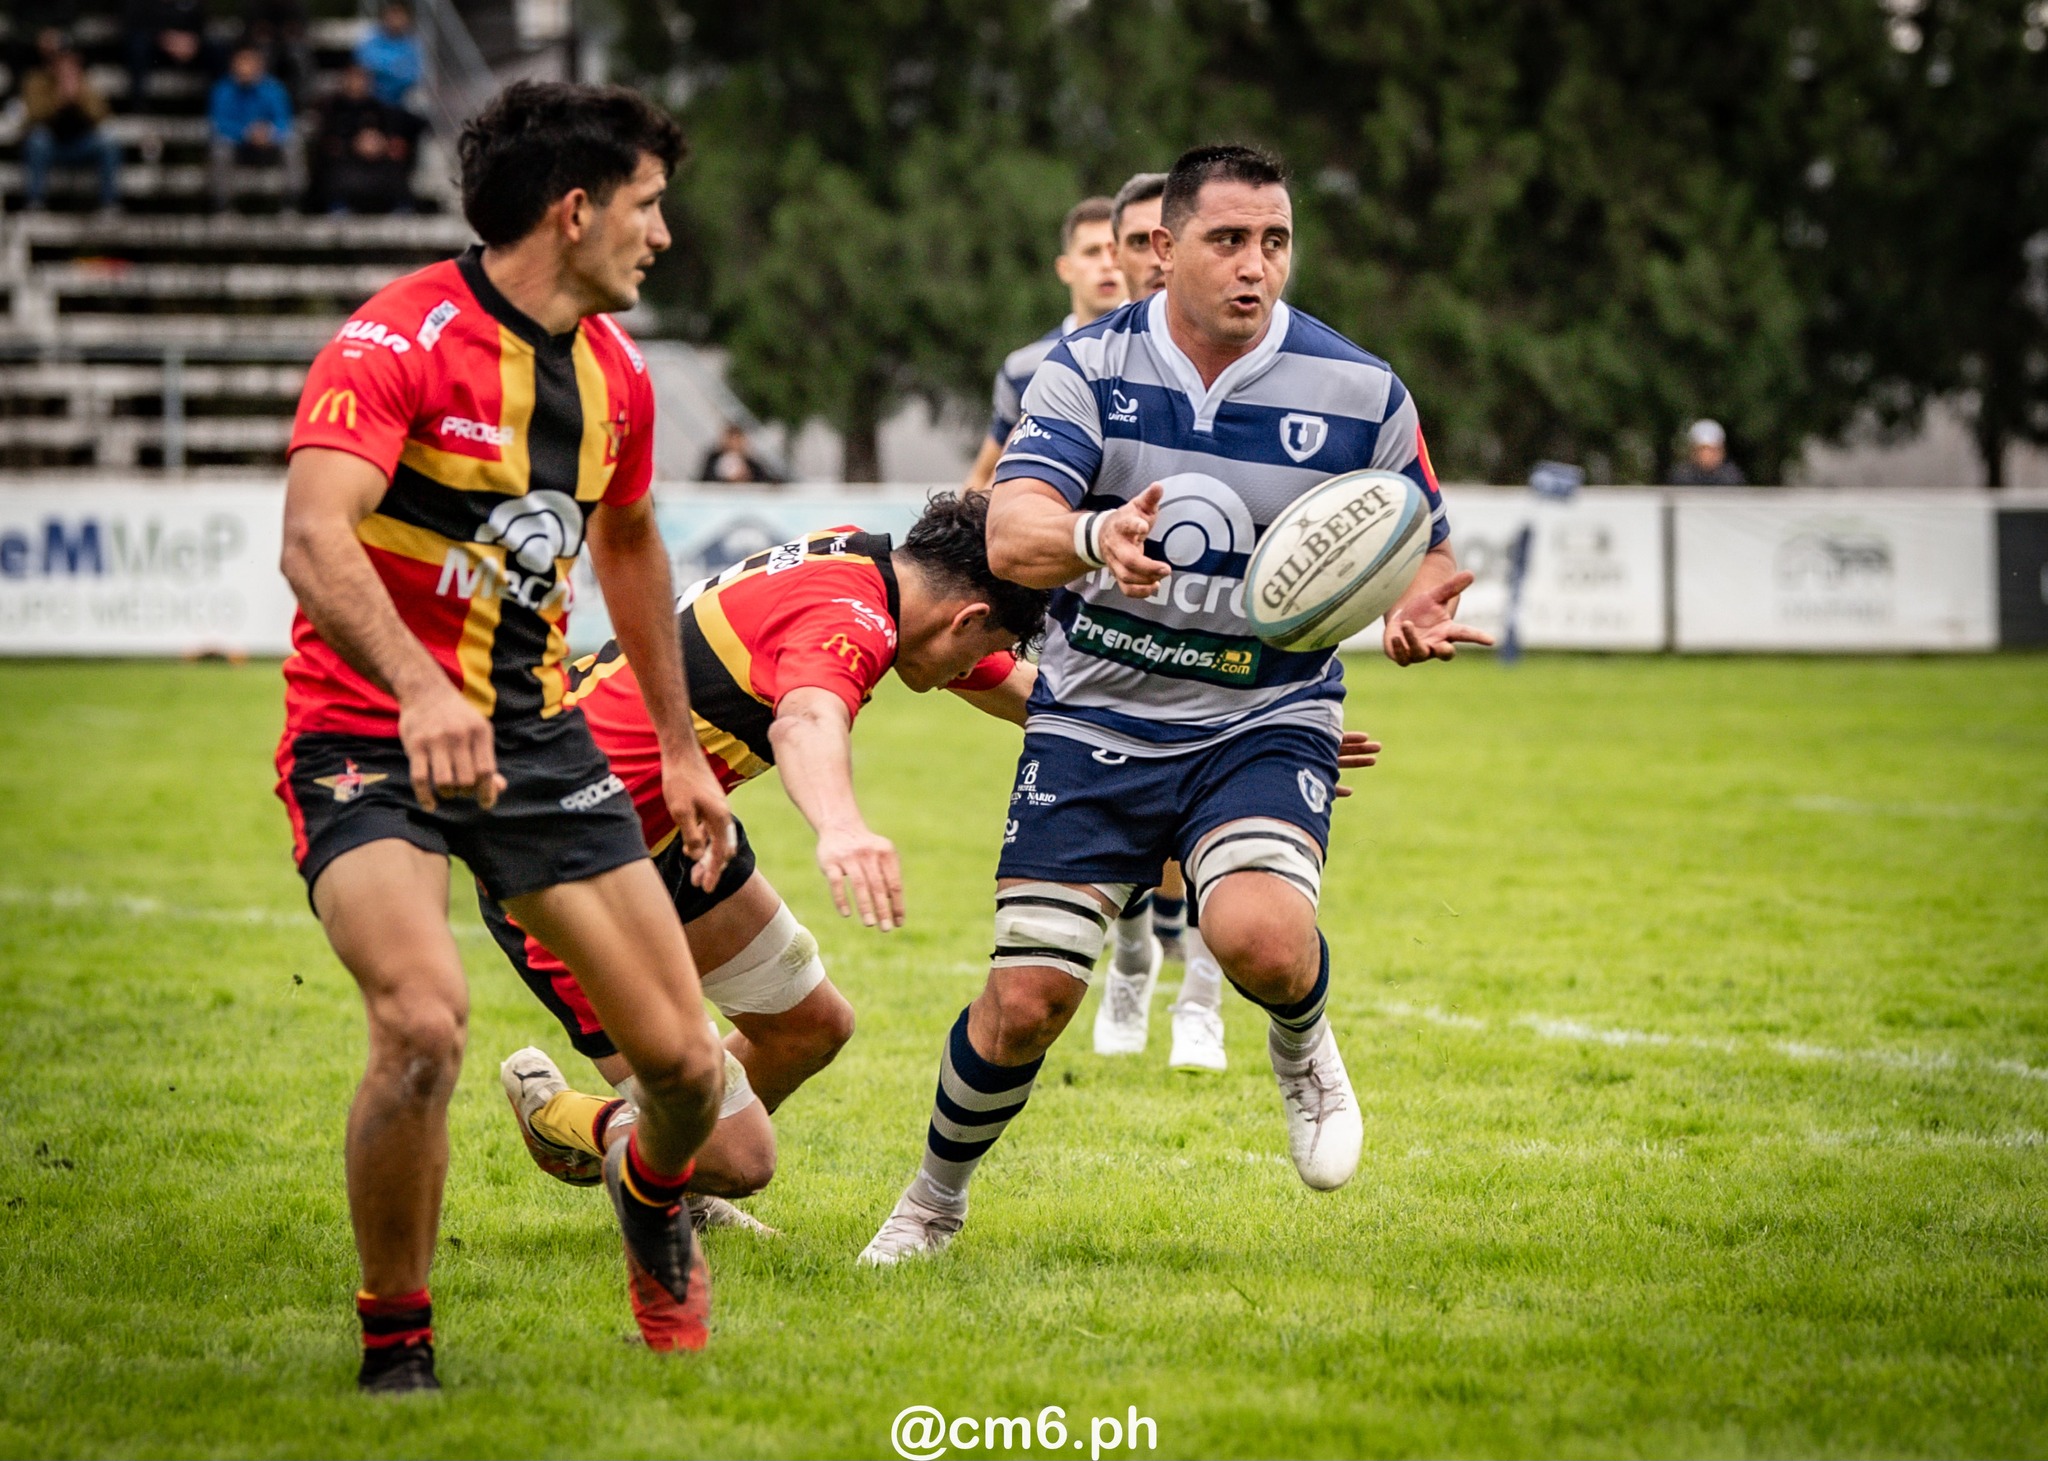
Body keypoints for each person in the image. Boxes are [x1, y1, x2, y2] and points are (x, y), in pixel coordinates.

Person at [860, 144, 1489, 1266]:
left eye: (1275, 242)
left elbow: (1424, 547)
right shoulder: (1083, 370)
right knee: (1025, 1003)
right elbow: (1008, 533)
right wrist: (1096, 534)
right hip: (1093, 714)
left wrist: (1414, 608)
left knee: (1259, 937)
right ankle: (931, 1202)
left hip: (1261, 709)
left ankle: (1300, 1047)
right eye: (1228, 240)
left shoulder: (1360, 390)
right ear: (1161, 249)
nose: (1256, 267)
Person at [273, 80, 734, 1389]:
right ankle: (398, 1345)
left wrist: (685, 754)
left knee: (691, 1074)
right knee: (422, 1026)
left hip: (538, 746)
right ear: (576, 210)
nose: (660, 235)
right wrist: (422, 689)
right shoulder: (396, 338)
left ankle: (647, 1190)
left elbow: (632, 543)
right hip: (368, 734)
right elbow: (314, 538)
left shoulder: (618, 377)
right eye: (647, 209)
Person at [486, 494, 1046, 1227]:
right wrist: (840, 825)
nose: (973, 665)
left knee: (811, 1026)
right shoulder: (851, 622)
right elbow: (806, 717)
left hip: (673, 832)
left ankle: (675, 1177)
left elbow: (1013, 687)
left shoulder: (868, 565)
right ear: (968, 617)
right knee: (741, 1161)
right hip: (564, 851)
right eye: (984, 642)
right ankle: (569, 1121)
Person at [960, 196, 1126, 494]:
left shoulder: (1164, 350)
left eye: (1115, 251)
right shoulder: (1024, 367)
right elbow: (982, 482)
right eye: (1092, 252)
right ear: (1065, 268)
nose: (1107, 263)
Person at [22, 38, 121, 215]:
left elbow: (102, 116)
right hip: (52, 146)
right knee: (37, 139)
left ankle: (109, 204)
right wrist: (59, 100)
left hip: (81, 145)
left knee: (108, 143)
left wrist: (79, 97)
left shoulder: (85, 82)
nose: (66, 67)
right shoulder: (37, 80)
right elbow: (32, 116)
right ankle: (35, 202)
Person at [307, 62, 421, 215]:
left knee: (397, 161)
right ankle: (337, 206)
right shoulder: (330, 107)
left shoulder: (380, 107)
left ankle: (401, 207)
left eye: (361, 79)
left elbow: (395, 132)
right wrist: (353, 144)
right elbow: (325, 137)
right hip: (344, 160)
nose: (357, 83)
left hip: (379, 160)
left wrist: (380, 143)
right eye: (353, 78)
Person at [208, 44, 305, 212]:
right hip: (238, 147)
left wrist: (269, 133)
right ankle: (223, 206)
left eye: (249, 63)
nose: (245, 68)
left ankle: (291, 202)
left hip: (269, 146)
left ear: (259, 65)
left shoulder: (274, 89)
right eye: (241, 63)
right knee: (220, 148)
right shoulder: (222, 90)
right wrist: (246, 133)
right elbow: (219, 123)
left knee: (293, 142)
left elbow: (284, 120)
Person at [123, 0, 220, 112]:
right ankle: (139, 103)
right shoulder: (140, 4)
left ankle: (218, 103)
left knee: (216, 48)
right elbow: (132, 25)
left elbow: (201, 24)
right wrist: (165, 38)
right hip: (155, 51)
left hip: (188, 49)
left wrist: (192, 40)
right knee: (138, 46)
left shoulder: (193, 4)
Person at [354, 1, 423, 111]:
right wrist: (395, 68)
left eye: (399, 15)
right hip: (370, 99)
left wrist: (383, 68)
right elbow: (363, 63)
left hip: (400, 100)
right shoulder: (371, 39)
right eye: (392, 15)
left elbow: (413, 75)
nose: (395, 20)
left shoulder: (411, 45)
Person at [1666, 418, 1747, 485]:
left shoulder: (1731, 477)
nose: (1706, 455)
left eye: (1711, 450)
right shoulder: (1681, 477)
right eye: (1702, 449)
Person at [697, 422, 783, 484]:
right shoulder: (713, 458)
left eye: (737, 440)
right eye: (731, 439)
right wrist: (726, 480)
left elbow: (764, 478)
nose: (734, 444)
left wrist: (747, 477)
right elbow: (705, 479)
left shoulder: (749, 460)